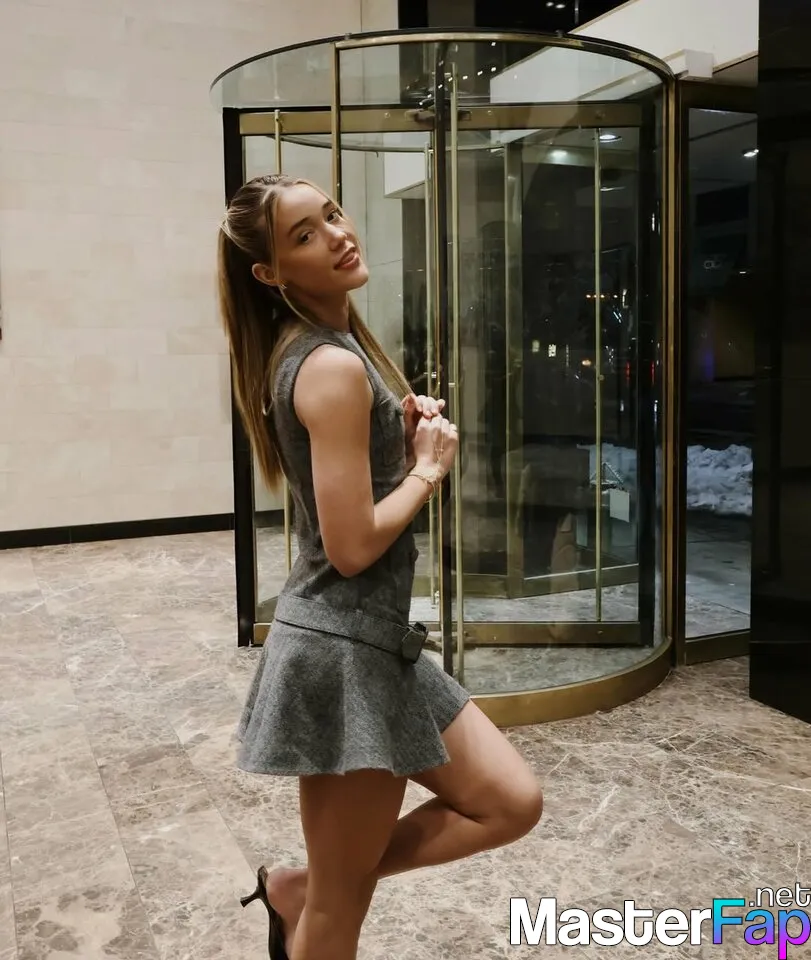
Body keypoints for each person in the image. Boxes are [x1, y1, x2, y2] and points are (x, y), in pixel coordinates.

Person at [217, 173, 544, 960]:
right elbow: (351, 545)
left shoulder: (334, 351)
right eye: (304, 235)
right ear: (270, 273)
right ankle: (313, 892)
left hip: (375, 641)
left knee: (510, 801)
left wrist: (396, 440)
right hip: (343, 653)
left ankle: (301, 886)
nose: (336, 234)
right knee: (339, 915)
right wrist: (426, 470)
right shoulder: (329, 366)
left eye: (330, 214)